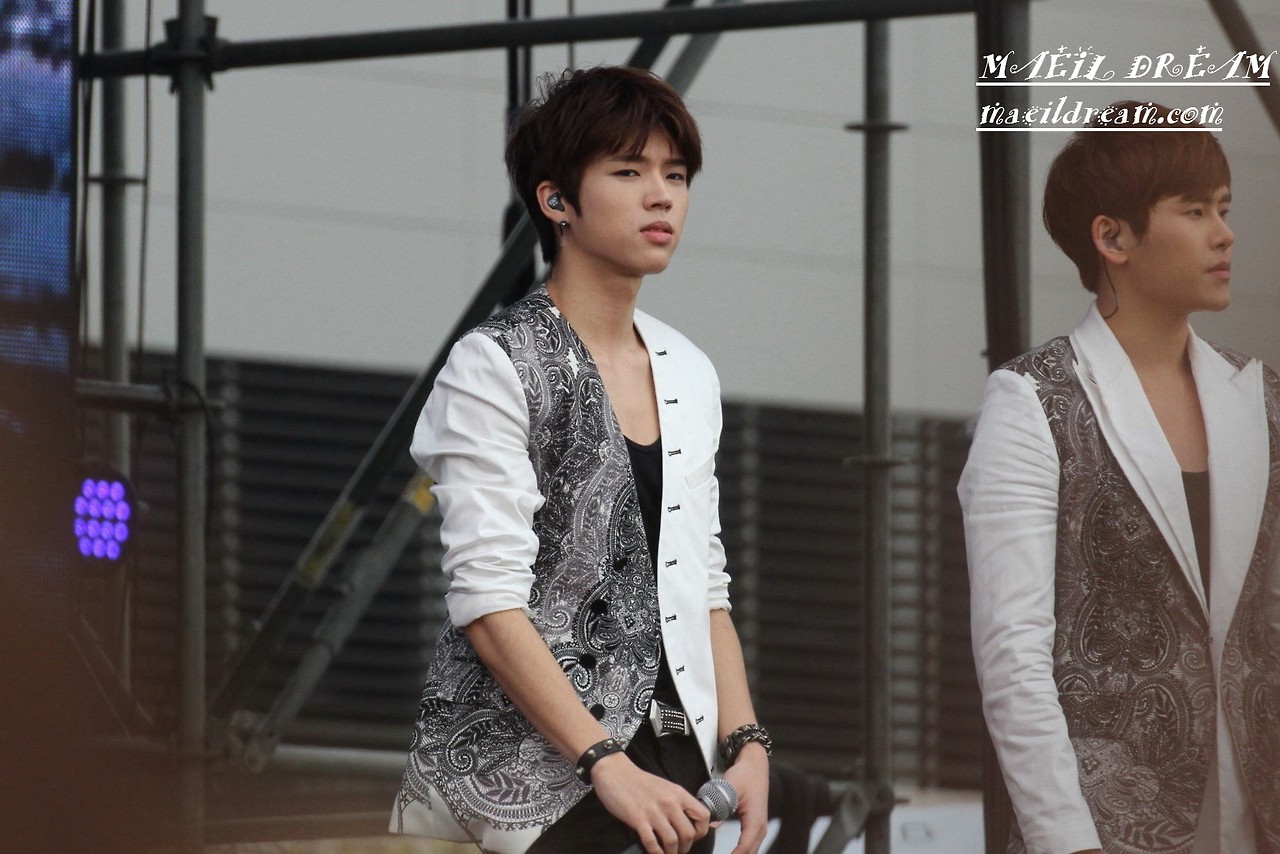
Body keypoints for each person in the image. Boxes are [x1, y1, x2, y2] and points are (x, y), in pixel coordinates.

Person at [390, 65, 770, 854]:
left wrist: (747, 741)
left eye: (675, 175)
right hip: (526, 787)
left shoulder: (687, 368)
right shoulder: (495, 364)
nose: (661, 196)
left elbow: (704, 581)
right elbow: (487, 601)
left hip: (676, 773)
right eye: (628, 172)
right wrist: (604, 762)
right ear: (556, 199)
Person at [959, 101, 1280, 854]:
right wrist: (1067, 840)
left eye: (1224, 209)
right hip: (1108, 825)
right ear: (1112, 237)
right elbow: (1013, 653)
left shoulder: (1261, 398)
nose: (1224, 233)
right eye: (1194, 211)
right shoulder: (1032, 400)